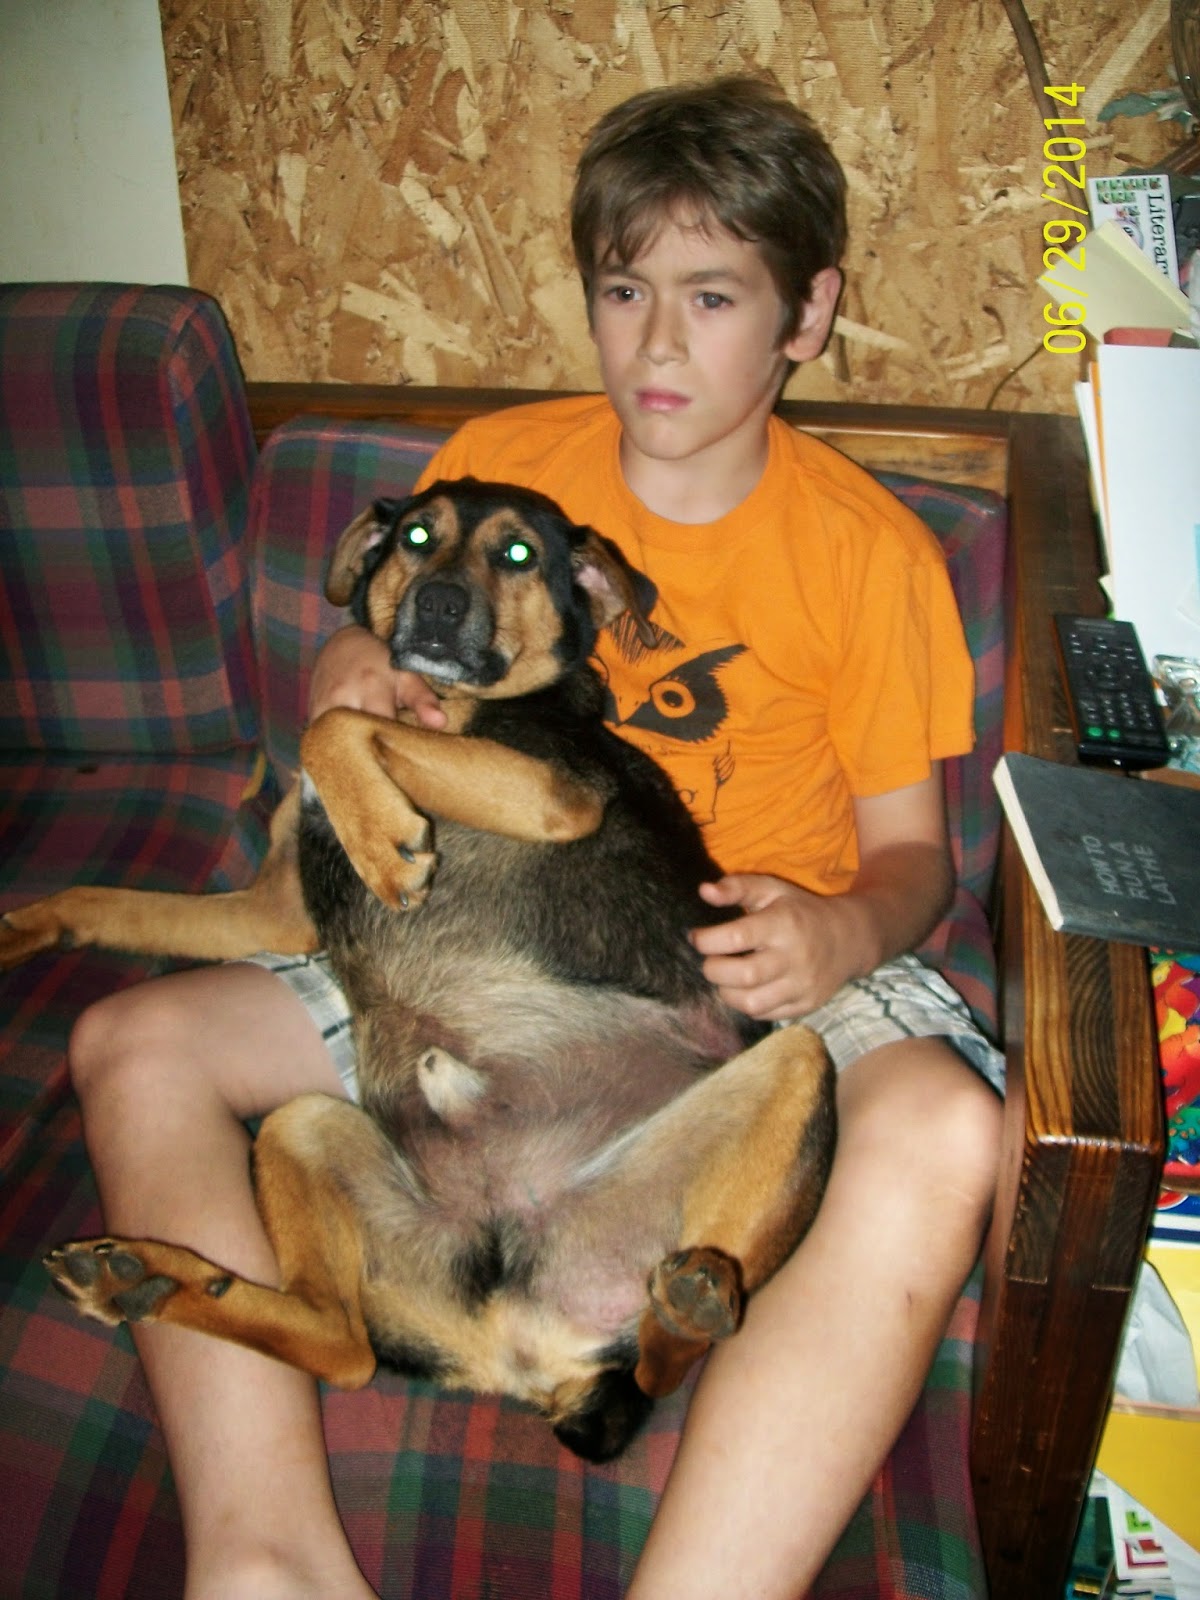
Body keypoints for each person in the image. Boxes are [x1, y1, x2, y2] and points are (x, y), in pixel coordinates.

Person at [69, 77, 1003, 1600]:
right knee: (132, 1042)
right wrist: (344, 665)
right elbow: (382, 638)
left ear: (809, 314)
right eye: (625, 292)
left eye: (714, 297)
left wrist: (840, 927)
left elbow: (917, 862)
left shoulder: (871, 554)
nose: (658, 341)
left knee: (954, 1126)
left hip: (741, 957)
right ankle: (262, 1557)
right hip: (468, 933)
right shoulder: (505, 458)